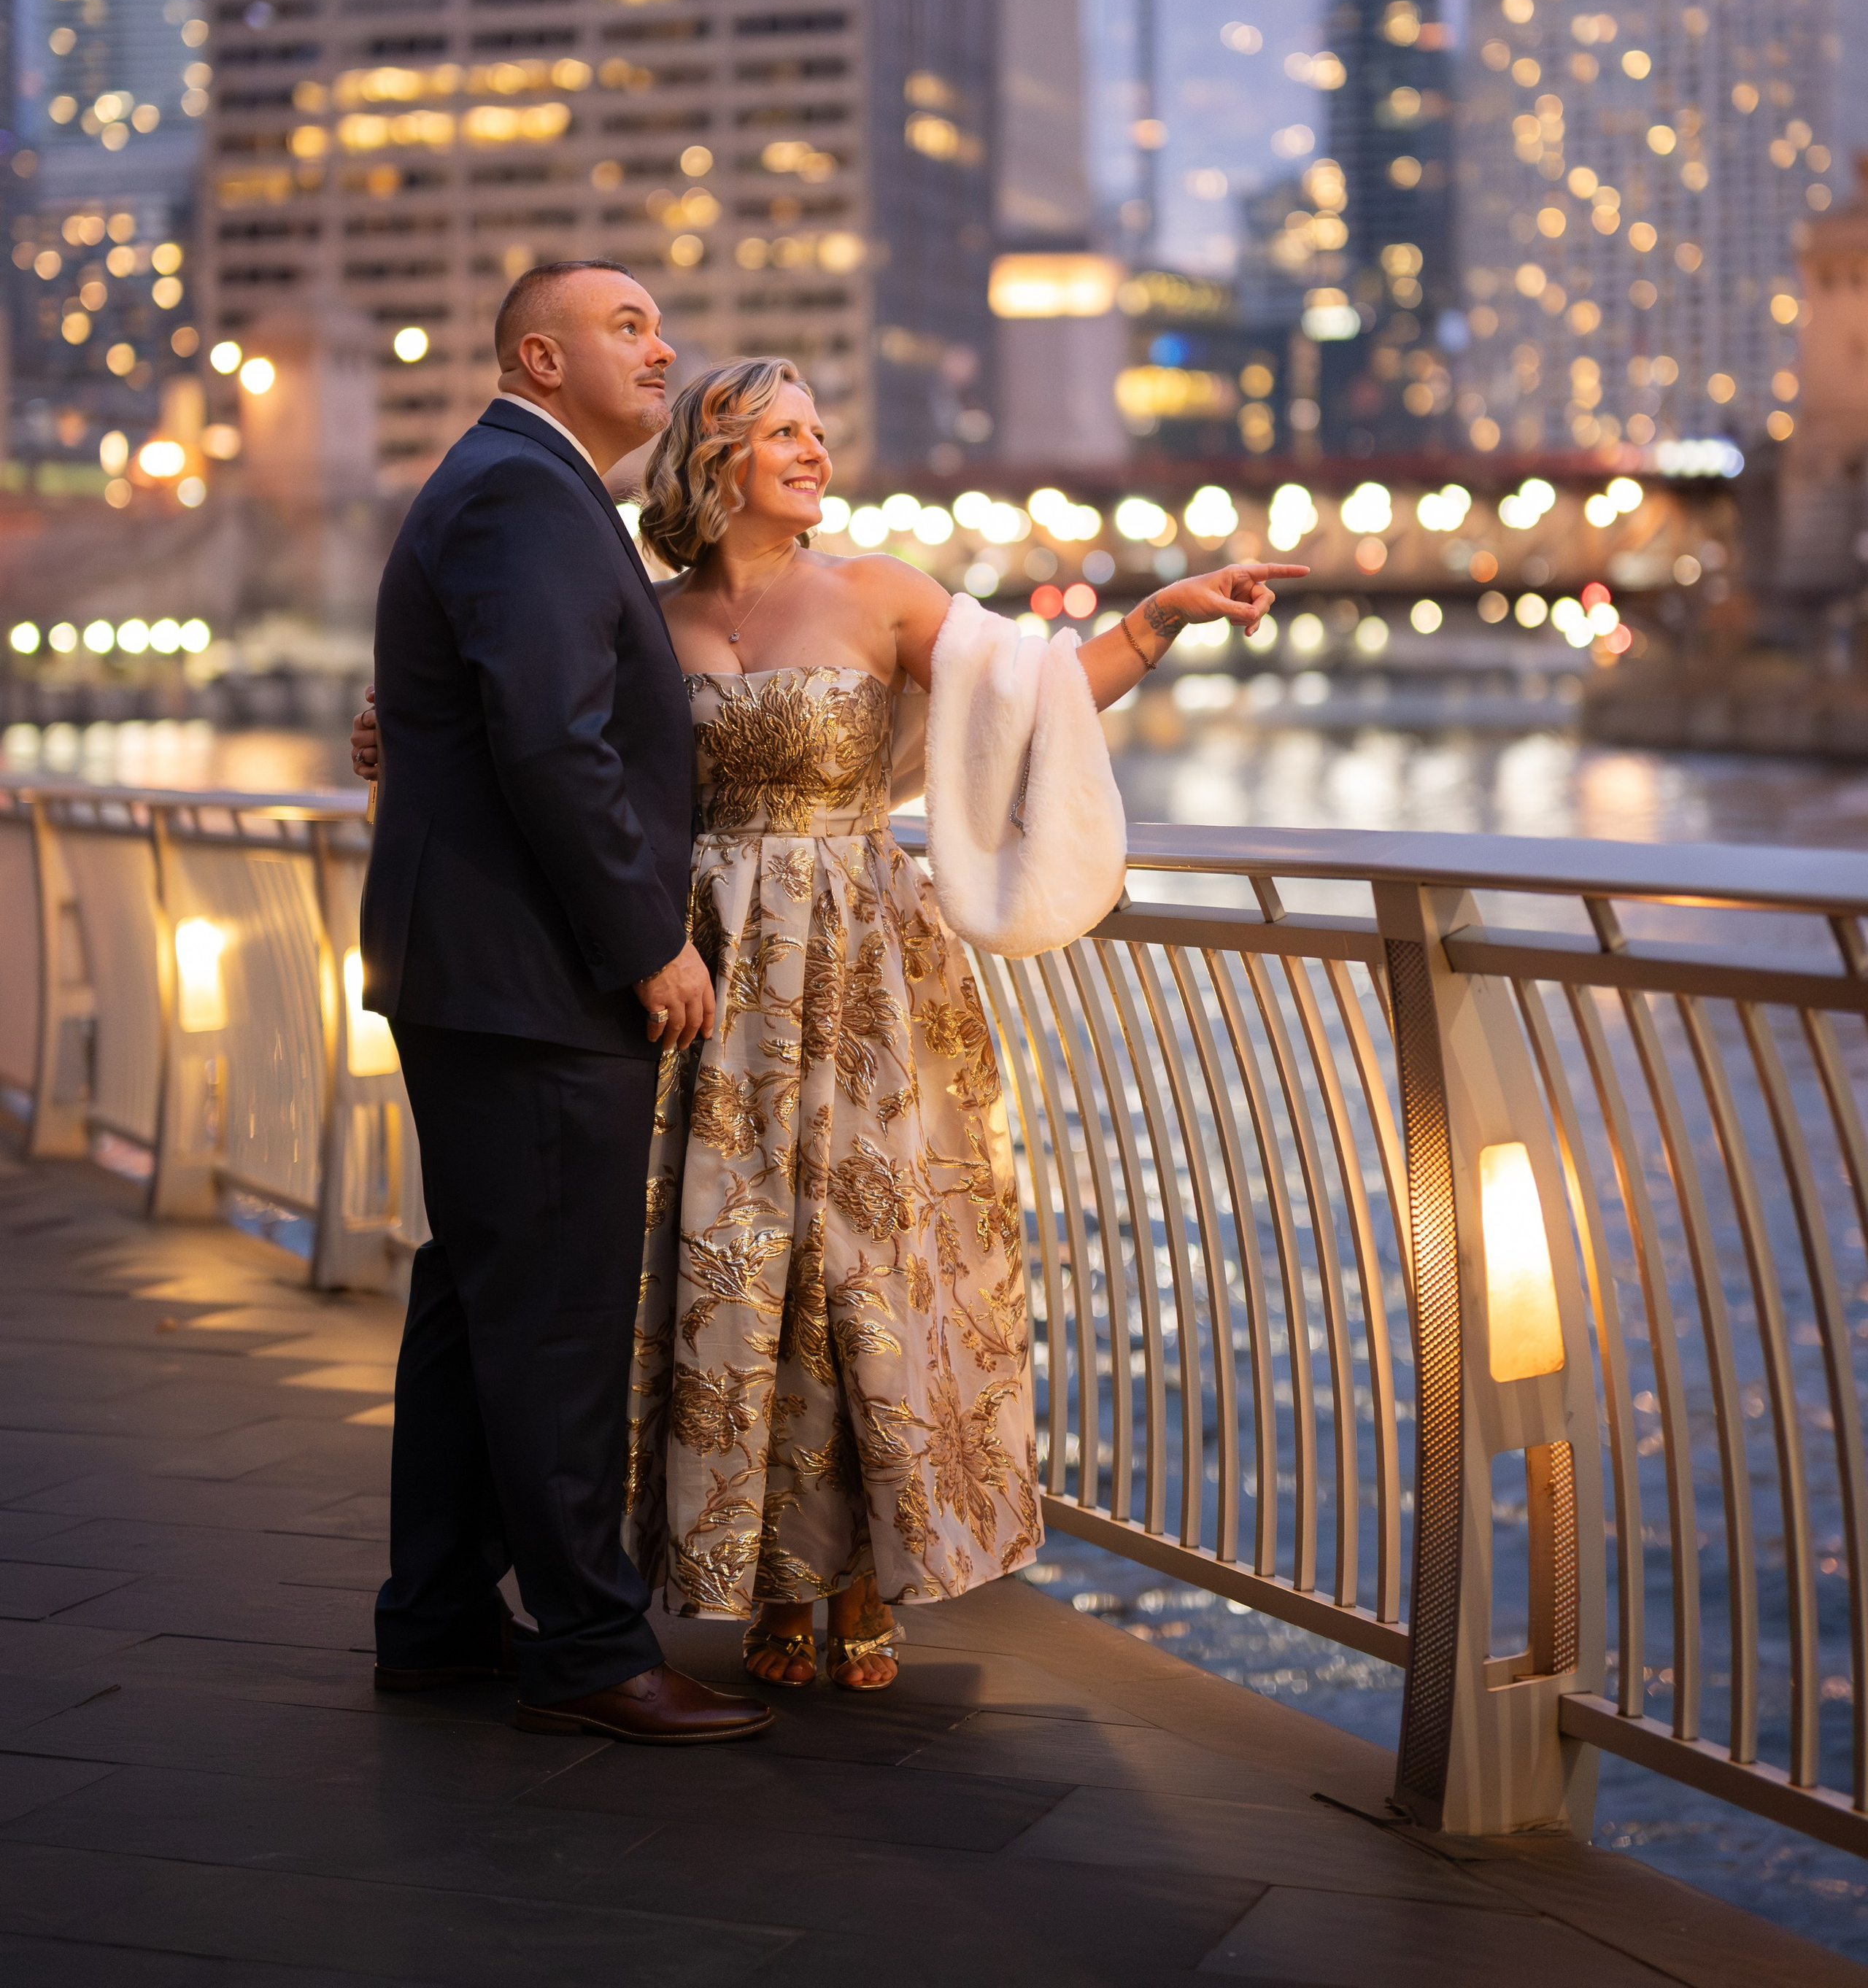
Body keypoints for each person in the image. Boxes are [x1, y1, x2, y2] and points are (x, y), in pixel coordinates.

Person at [355, 348, 1302, 1698]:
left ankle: (861, 1569)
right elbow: (549, 740)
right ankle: (749, 1573)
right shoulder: (645, 608)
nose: (814, 450)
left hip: (860, 972)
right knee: (717, 1266)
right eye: (782, 432)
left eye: (819, 429)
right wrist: (403, 740)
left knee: (866, 1257)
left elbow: (1030, 703)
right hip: (689, 969)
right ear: (713, 460)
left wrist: (1160, 621)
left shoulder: (880, 594)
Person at [358, 259, 771, 1747]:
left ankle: (439, 1617)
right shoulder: (529, 495)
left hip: (478, 964)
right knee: (550, 1316)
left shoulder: (511, 486)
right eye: (626, 326)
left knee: (481, 1301)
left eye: (662, 320)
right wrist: (641, 941)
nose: (664, 347)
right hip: (531, 971)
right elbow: (550, 739)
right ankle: (590, 1647)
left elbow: (482, 714)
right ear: (540, 357)